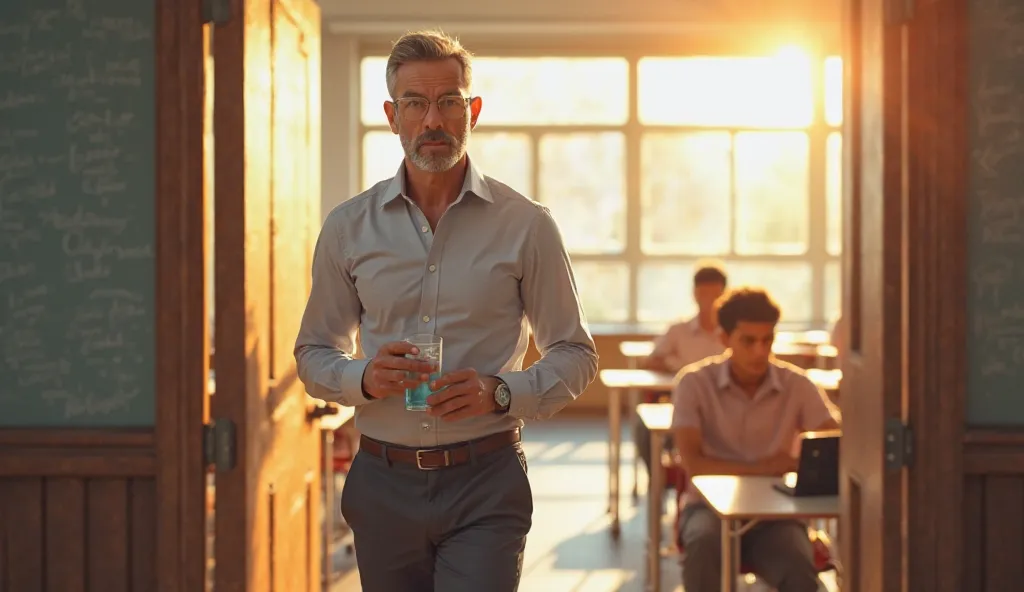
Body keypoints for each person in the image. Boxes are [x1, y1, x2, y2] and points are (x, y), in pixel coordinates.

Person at [293, 30, 598, 592]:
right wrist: (364, 376)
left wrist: (502, 391)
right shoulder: (347, 227)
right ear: (392, 115)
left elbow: (576, 353)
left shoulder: (527, 224)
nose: (432, 120)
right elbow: (313, 352)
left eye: (448, 101)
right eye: (415, 103)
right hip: (381, 484)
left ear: (472, 111)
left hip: (487, 480)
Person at [671, 288, 840, 592]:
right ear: (724, 339)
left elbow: (835, 442)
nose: (760, 351)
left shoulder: (797, 384)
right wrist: (770, 467)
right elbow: (694, 465)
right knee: (702, 546)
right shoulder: (693, 383)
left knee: (799, 566)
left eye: (768, 340)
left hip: (776, 513)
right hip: (708, 510)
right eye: (748, 341)